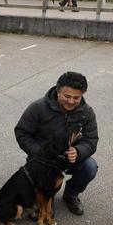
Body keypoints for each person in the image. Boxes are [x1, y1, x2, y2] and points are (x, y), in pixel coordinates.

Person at [14, 71, 99, 216]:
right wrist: (39, 153)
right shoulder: (38, 107)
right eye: (67, 96)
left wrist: (78, 151)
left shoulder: (87, 112)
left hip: (69, 159)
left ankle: (70, 195)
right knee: (35, 199)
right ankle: (43, 198)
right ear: (58, 91)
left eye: (76, 98)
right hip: (42, 159)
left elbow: (91, 140)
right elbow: (22, 132)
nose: (71, 101)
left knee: (90, 167)